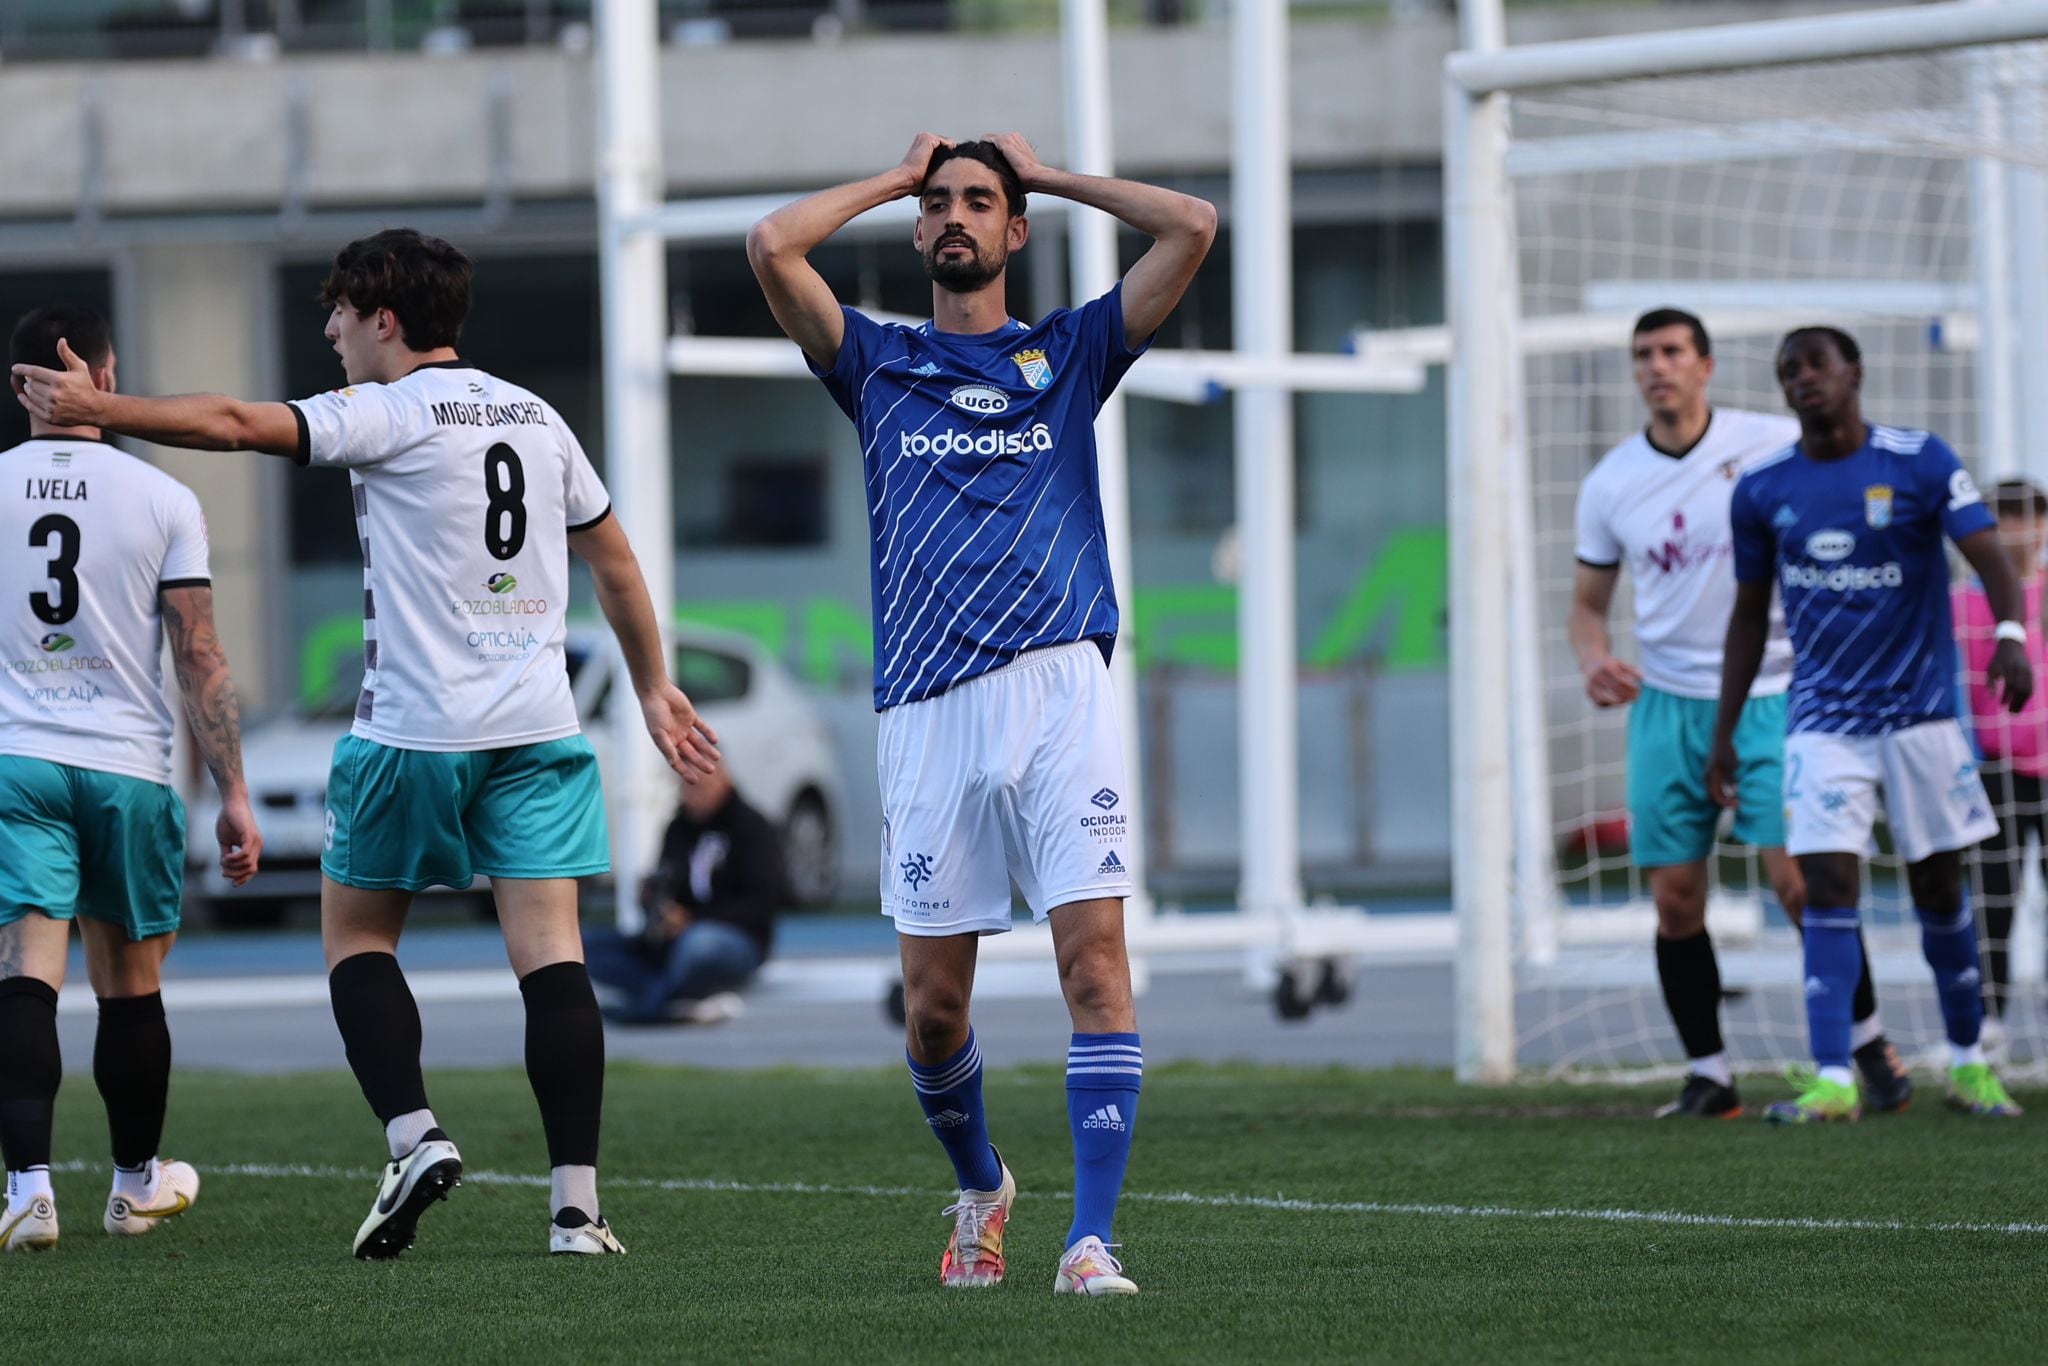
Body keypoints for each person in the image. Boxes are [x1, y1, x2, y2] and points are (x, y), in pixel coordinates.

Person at [12, 230, 721, 1258]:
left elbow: (231, 423)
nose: (333, 334)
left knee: (355, 939)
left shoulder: (384, 412)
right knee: (552, 958)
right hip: (537, 730)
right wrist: (653, 684)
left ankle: (412, 1133)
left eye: (340, 314)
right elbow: (613, 561)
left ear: (385, 319)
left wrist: (101, 411)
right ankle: (576, 1209)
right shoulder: (536, 416)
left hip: (415, 731)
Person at [748, 132, 1214, 1295]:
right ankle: (982, 1183)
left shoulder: (1068, 352)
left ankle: (1089, 1241)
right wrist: (890, 176)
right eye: (939, 204)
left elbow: (1191, 227)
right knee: (932, 1010)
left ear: (1015, 233)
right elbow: (770, 244)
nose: (955, 217)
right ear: (916, 230)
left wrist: (1045, 173)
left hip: (1062, 689)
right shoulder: (874, 362)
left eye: (979, 203)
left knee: (1095, 969)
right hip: (925, 708)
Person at [1573, 309, 1910, 1120]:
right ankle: (1710, 1074)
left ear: (1706, 366)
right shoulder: (1611, 481)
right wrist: (1594, 660)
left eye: (1672, 352)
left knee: (1800, 881)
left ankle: (1866, 1042)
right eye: (1643, 355)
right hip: (1667, 709)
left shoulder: (1767, 444)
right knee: (1676, 900)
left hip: (1779, 694)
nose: (1657, 367)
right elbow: (1587, 606)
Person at [1711, 325, 2029, 1123]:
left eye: (1816, 364)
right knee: (1825, 883)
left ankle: (1967, 1064)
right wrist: (1723, 732)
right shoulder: (1762, 489)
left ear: (1854, 372)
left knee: (1937, 885)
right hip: (1822, 719)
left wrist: (2012, 636)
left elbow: (1989, 556)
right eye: (1789, 371)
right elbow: (1750, 618)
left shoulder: (1917, 460)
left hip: (1921, 717)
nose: (1802, 379)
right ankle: (1834, 1080)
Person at [1, 303, 261, 1252]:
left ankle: (28, 1188)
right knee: (128, 983)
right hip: (127, 767)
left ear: (22, 386)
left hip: (17, 759)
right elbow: (199, 654)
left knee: (25, 967)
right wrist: (232, 790)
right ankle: (134, 1184)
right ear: (105, 381)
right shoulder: (161, 497)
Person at [584, 763, 785, 1026]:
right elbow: (668, 884)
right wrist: (654, 903)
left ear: (723, 780)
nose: (691, 796)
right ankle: (676, 995)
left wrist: (692, 919)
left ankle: (655, 1006)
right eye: (685, 787)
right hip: (673, 942)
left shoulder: (752, 827)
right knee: (584, 947)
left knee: (698, 944)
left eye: (698, 787)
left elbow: (763, 901)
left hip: (733, 938)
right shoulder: (678, 829)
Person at [1955, 477, 2048, 1046]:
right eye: (2006, 519)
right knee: (1993, 897)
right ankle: (1987, 1021)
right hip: (1995, 769)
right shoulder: (1961, 603)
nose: (2020, 531)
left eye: (2031, 517)